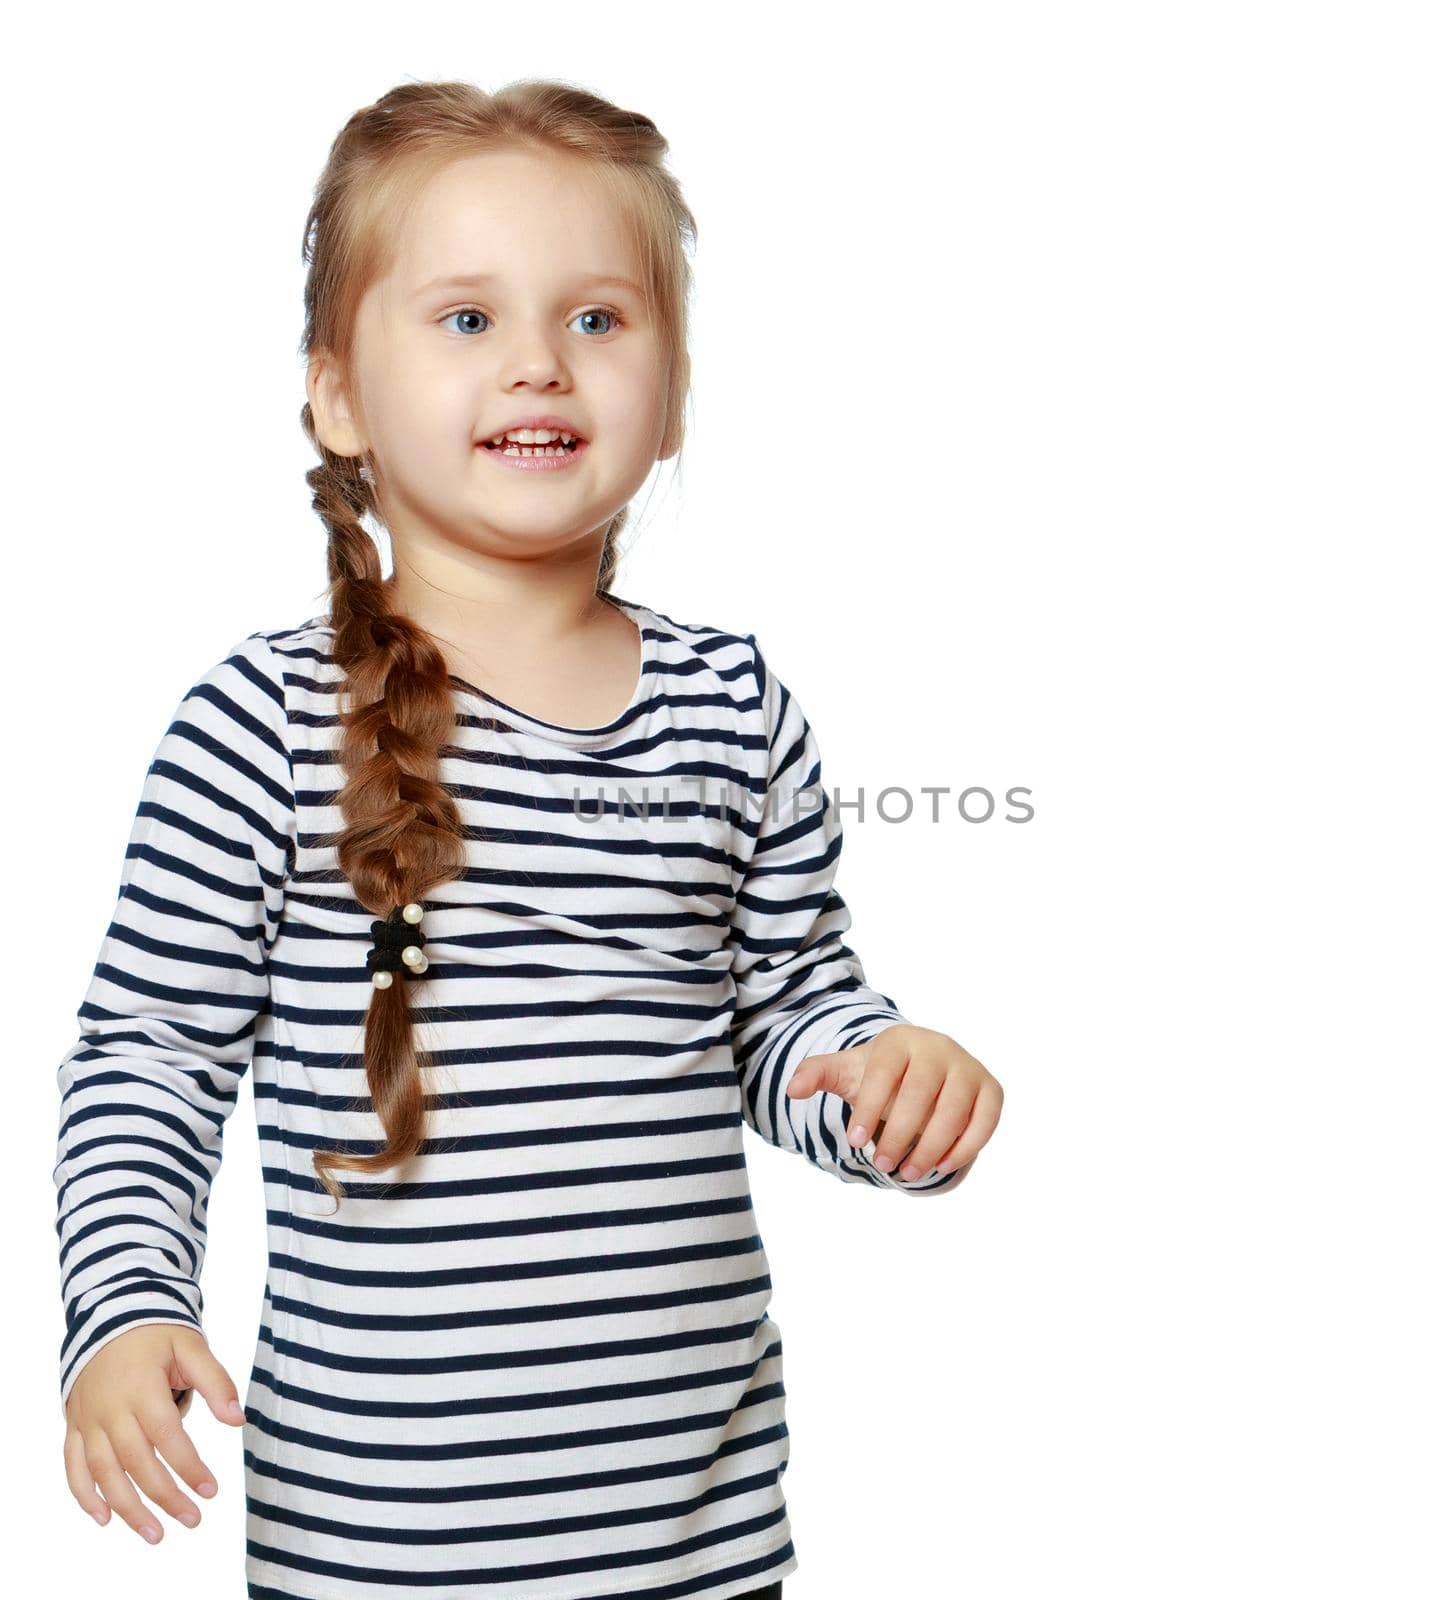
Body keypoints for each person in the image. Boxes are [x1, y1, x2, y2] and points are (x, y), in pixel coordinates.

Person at [53, 76, 1004, 1600]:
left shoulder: (732, 705)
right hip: (375, 1547)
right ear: (337, 396)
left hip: (697, 1538)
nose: (540, 363)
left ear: (674, 387)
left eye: (600, 320)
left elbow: (786, 1021)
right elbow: (147, 1052)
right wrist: (124, 1306)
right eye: (466, 320)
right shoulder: (262, 725)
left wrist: (883, 1085)